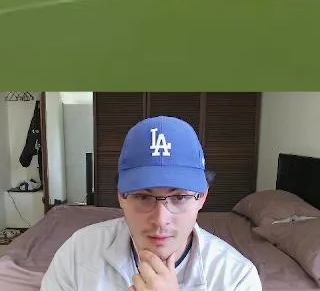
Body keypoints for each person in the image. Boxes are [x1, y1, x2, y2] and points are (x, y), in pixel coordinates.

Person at [41, 116, 261, 291]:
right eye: (143, 197)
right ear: (121, 196)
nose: (160, 220)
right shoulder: (77, 254)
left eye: (179, 197)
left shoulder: (236, 279)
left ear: (202, 197)